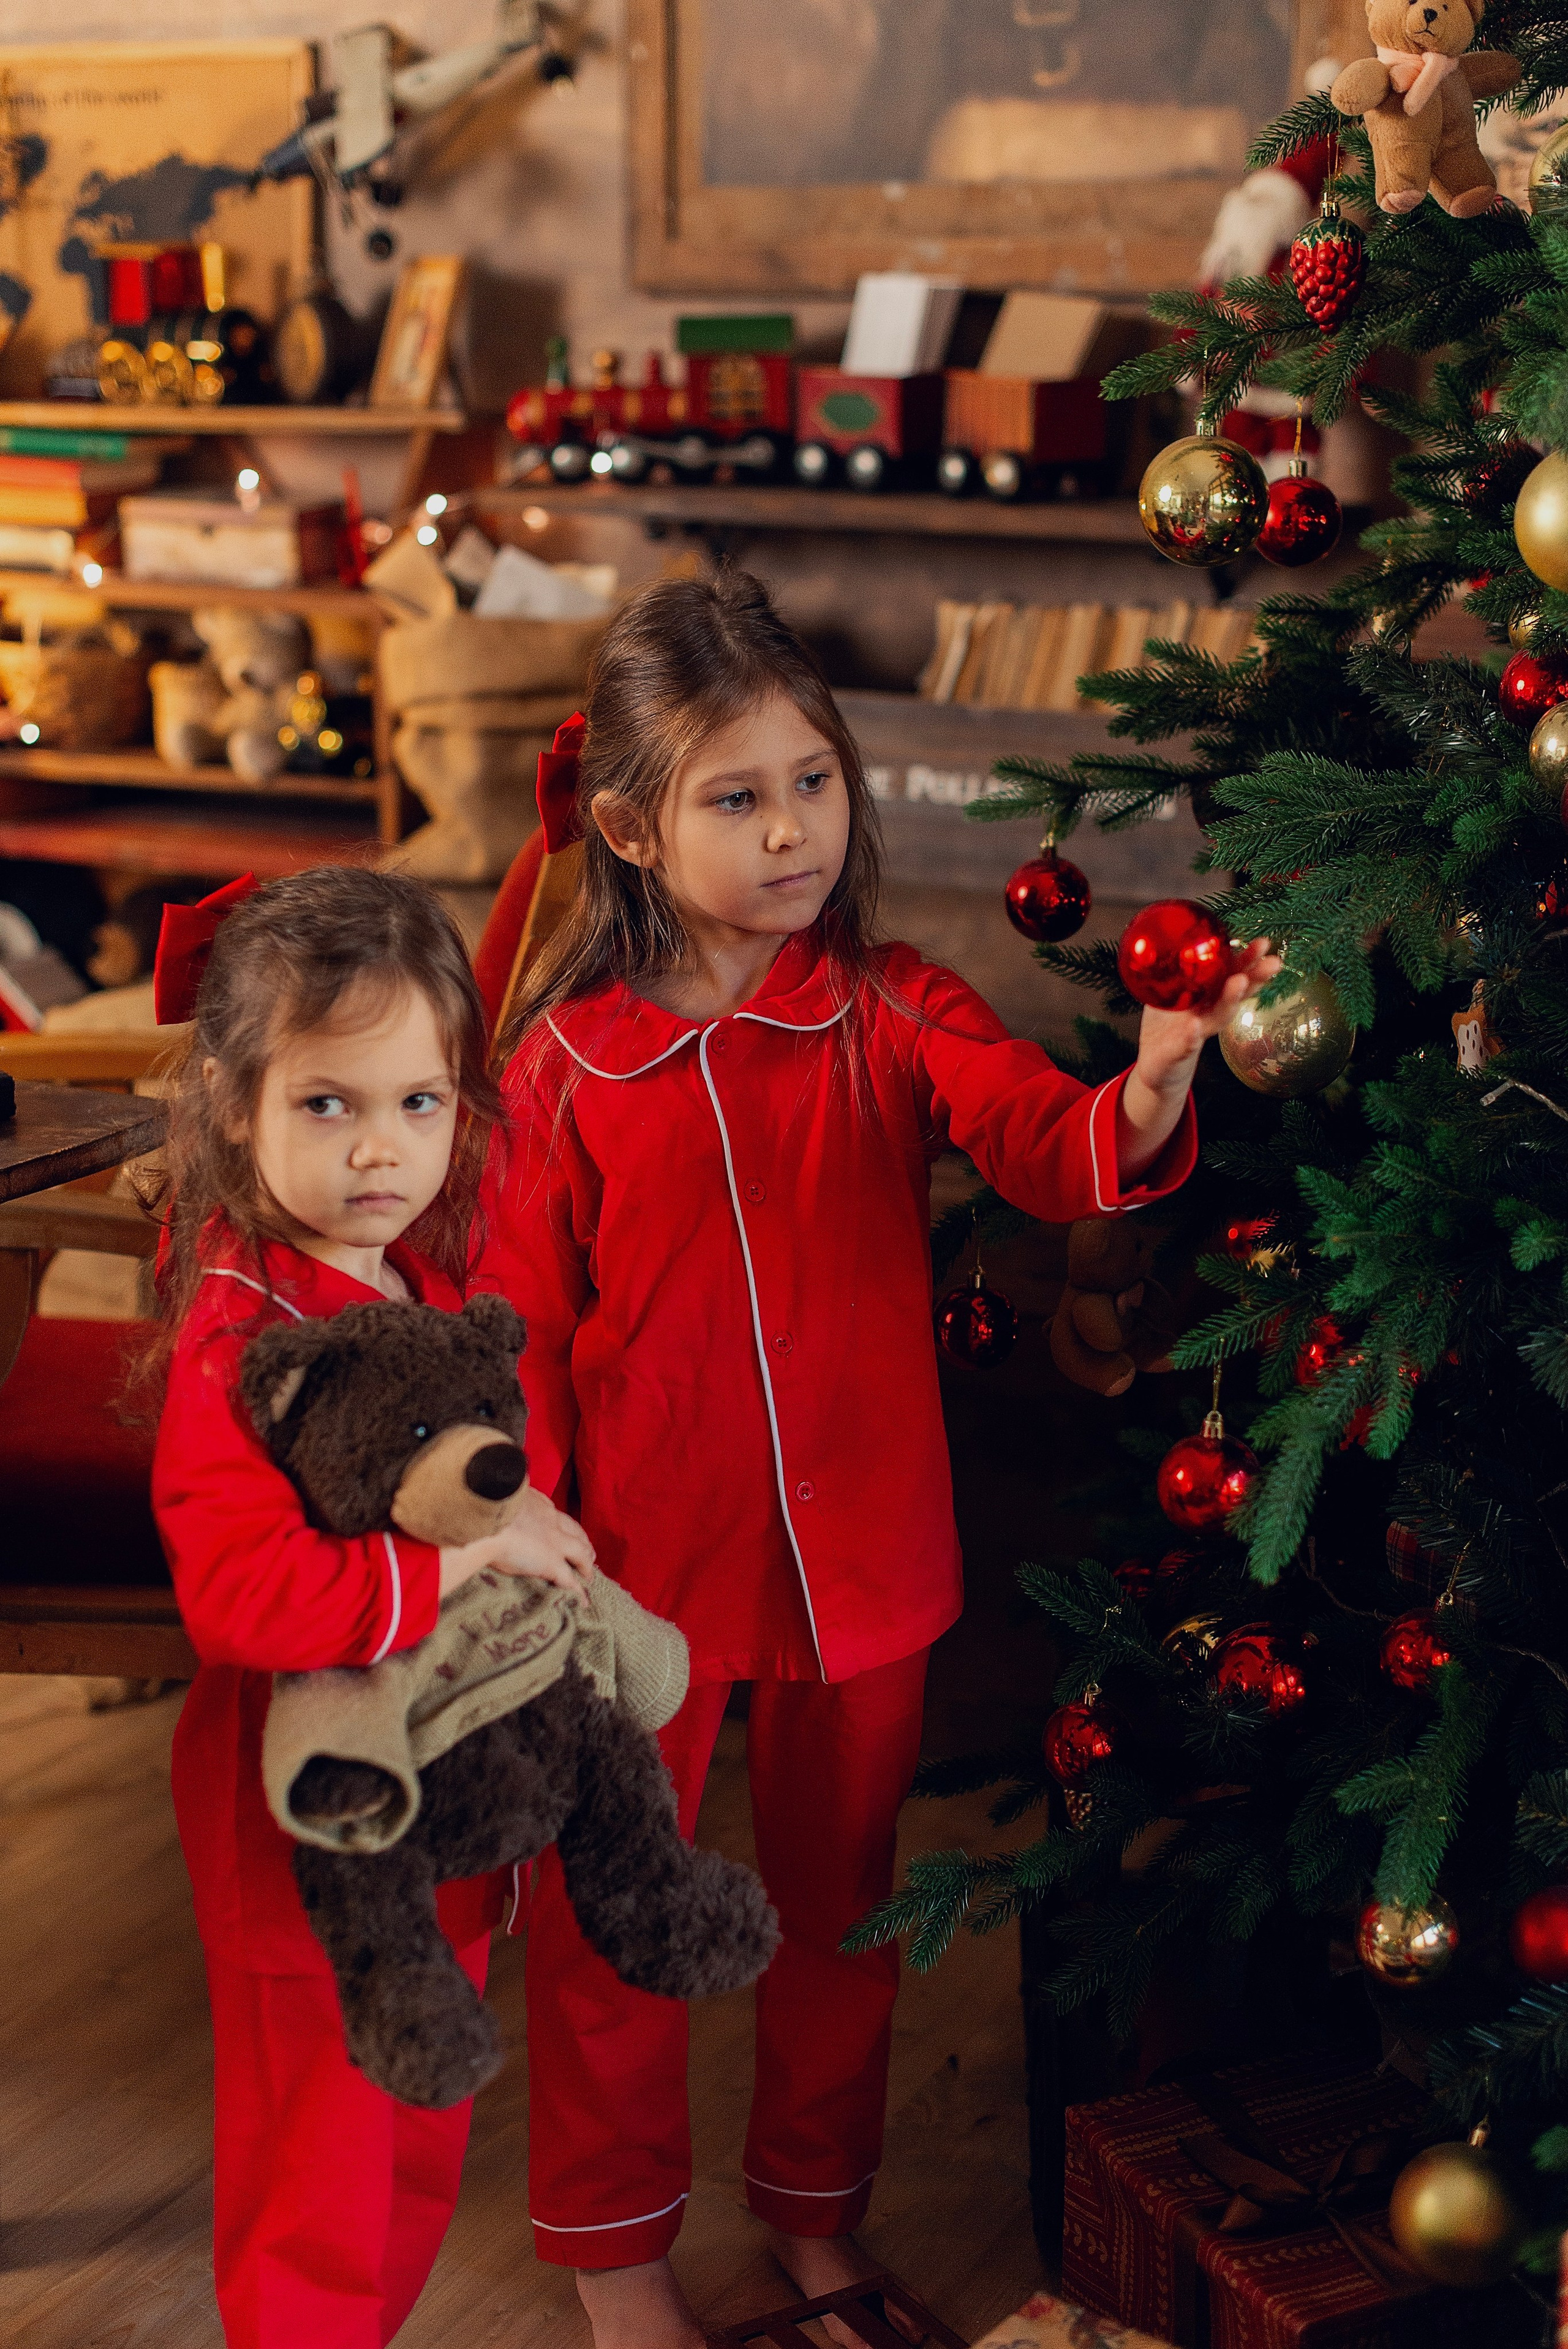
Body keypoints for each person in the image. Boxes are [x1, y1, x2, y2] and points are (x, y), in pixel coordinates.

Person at [478, 571, 1280, 2349]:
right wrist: (519, 1517)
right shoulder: (562, 1072)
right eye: (735, 796)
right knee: (619, 1924)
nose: (791, 833)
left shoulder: (892, 1007)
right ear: (628, 822)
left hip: (866, 1562)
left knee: (844, 1914)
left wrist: (1145, 1098)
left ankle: (815, 2222)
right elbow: (513, 1329)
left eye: (814, 783)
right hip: (629, 1576)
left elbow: (1039, 1139)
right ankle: (621, 2259)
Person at [146, 865, 596, 2349]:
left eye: (418, 1103)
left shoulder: (404, 1273)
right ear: (233, 1105)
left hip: (427, 1822)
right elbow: (238, 1592)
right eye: (327, 1105)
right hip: (304, 1844)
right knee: (317, 2190)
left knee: (411, 2147)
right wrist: (464, 1560)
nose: (379, 1149)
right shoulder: (243, 1333)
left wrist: (515, 1515)